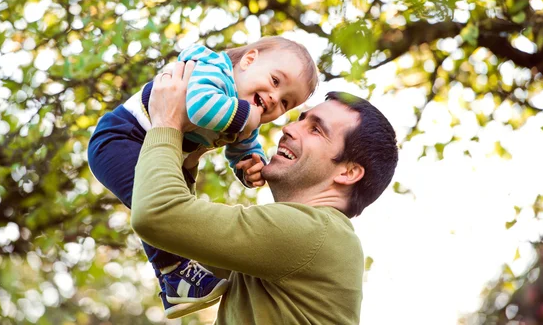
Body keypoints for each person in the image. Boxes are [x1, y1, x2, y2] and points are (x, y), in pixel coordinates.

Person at [130, 61, 399, 324]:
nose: (288, 128)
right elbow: (180, 245)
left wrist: (166, 121)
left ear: (348, 172)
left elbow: (157, 215)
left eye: (316, 130)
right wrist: (194, 154)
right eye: (299, 119)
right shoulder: (302, 240)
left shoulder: (313, 233)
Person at [87, 37, 318, 318]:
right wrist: (247, 117)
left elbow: (244, 149)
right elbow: (200, 107)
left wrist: (250, 166)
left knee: (175, 208)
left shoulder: (246, 117)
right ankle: (175, 275)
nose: (273, 99)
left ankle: (176, 282)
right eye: (274, 81)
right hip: (122, 138)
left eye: (285, 103)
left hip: (164, 154)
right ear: (248, 60)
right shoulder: (213, 69)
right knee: (155, 203)